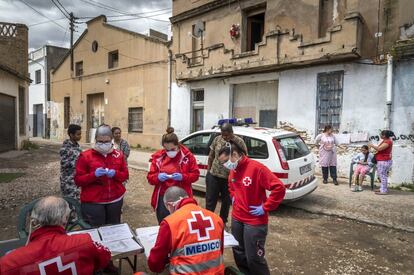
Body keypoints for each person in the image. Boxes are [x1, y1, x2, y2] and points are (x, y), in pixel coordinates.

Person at [218, 141, 286, 275]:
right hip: (237, 218)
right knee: (238, 252)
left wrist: (266, 206)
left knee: (254, 257)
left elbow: (279, 188)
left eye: (226, 161)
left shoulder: (256, 168)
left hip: (254, 221)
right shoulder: (233, 169)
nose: (225, 165)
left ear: (235, 154)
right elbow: (231, 186)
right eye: (222, 163)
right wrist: (233, 196)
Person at [0, 196, 111, 274]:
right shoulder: (84, 242)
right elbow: (104, 257)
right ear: (65, 219)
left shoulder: (8, 263)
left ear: (33, 220)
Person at [147, 186, 225, 274]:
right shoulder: (216, 218)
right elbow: (219, 251)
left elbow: (155, 263)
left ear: (169, 205)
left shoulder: (170, 222)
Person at [75, 124, 129, 226]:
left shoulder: (118, 155)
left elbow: (125, 175)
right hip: (93, 202)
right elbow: (78, 180)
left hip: (115, 200)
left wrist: (115, 174)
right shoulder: (85, 156)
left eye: (107, 141)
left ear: (111, 140)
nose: (103, 144)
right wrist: (93, 175)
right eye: (100, 141)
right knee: (95, 230)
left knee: (113, 228)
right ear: (95, 139)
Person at [147, 127, 200, 223]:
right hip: (163, 198)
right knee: (164, 223)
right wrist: (157, 177)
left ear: (178, 145)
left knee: (181, 223)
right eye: (166, 150)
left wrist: (183, 177)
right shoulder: (158, 157)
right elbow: (150, 178)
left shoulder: (188, 156)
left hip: (182, 197)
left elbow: (195, 175)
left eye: (172, 149)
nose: (169, 152)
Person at [206, 122, 247, 226]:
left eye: (227, 135)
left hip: (229, 178)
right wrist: (208, 171)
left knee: (226, 201)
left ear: (231, 132)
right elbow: (211, 156)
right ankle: (208, 221)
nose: (224, 137)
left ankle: (222, 222)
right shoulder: (217, 139)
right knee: (211, 200)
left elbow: (244, 158)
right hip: (214, 175)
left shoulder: (239, 141)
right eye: (223, 134)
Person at [59, 124, 82, 200]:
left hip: (77, 180)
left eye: (80, 134)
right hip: (68, 181)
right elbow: (64, 163)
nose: (80, 136)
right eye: (78, 134)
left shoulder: (77, 146)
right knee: (69, 203)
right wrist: (78, 162)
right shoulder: (65, 148)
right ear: (71, 135)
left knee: (77, 202)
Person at [369, 130, 394, 195]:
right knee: (382, 175)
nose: (380, 135)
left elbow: (379, 149)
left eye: (381, 134)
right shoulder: (386, 141)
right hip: (382, 160)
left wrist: (371, 145)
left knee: (383, 176)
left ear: (384, 135)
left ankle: (384, 191)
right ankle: (382, 189)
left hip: (384, 160)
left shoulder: (387, 142)